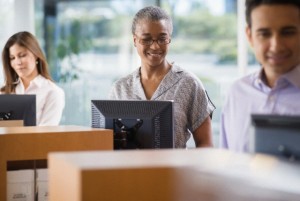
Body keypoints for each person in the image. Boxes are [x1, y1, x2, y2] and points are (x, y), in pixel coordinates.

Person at [109, 6, 215, 148]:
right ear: (135, 40)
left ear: (169, 39)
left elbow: (206, 144)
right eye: (146, 39)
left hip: (175, 170)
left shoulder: (189, 84)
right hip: (129, 169)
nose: (155, 46)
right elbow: (107, 141)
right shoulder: (120, 88)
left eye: (162, 39)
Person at [220, 0, 300, 152]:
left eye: (287, 32)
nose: (276, 46)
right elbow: (227, 162)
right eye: (264, 34)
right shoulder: (237, 93)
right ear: (250, 36)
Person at [1, 31, 65, 126]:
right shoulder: (4, 91)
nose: (18, 62)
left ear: (36, 55)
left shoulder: (53, 92)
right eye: (12, 58)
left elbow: (46, 135)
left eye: (22, 55)